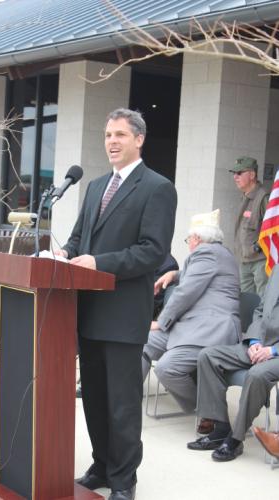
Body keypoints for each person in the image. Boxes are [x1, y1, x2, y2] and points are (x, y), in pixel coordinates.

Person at [56, 108, 177, 500]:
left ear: (138, 139)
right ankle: (102, 466)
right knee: (93, 399)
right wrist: (61, 256)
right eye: (108, 134)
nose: (112, 141)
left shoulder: (157, 188)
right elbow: (78, 240)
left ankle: (124, 482)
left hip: (123, 315)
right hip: (87, 312)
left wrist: (98, 262)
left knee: (122, 406)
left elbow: (152, 252)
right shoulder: (94, 186)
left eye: (120, 135)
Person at [142, 209, 241, 414]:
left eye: (188, 238)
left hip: (210, 331)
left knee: (166, 368)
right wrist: (174, 274)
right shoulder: (215, 254)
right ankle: (129, 396)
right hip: (192, 328)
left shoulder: (207, 253)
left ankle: (206, 409)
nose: (188, 243)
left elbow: (185, 293)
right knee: (143, 340)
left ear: (196, 238)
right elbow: (195, 276)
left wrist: (161, 322)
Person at [187, 264, 279, 462]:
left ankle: (235, 439)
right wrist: (255, 341)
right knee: (208, 356)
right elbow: (261, 310)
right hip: (260, 343)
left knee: (257, 374)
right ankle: (220, 427)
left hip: (276, 352)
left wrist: (272, 351)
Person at [229, 156, 268, 296]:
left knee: (263, 300)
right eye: (234, 173)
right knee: (247, 300)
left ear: (252, 175)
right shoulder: (245, 196)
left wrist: (257, 247)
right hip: (244, 261)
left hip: (260, 261)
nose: (235, 177)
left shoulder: (263, 197)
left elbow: (273, 227)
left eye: (239, 173)